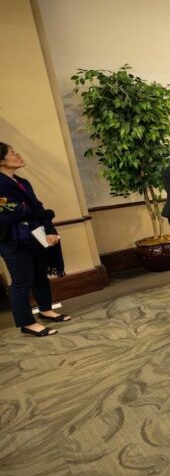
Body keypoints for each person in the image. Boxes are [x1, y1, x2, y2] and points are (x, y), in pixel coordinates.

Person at [0, 142, 70, 336]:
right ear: (1, 161)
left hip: (35, 235)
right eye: (13, 153)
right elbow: (11, 215)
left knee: (40, 273)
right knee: (22, 280)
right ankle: (26, 322)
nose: (18, 155)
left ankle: (46, 310)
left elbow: (37, 208)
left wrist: (50, 231)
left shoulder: (22, 182)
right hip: (12, 240)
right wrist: (35, 213)